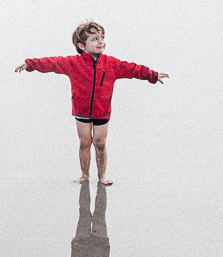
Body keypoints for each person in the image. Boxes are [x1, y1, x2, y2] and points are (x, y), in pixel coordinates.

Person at [15, 21, 168, 185]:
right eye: (94, 39)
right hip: (81, 110)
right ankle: (84, 174)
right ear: (81, 45)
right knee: (85, 142)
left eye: (102, 37)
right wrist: (30, 64)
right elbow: (52, 63)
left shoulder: (111, 64)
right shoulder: (73, 63)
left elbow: (132, 69)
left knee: (100, 143)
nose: (101, 41)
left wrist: (152, 75)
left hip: (102, 110)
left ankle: (102, 176)